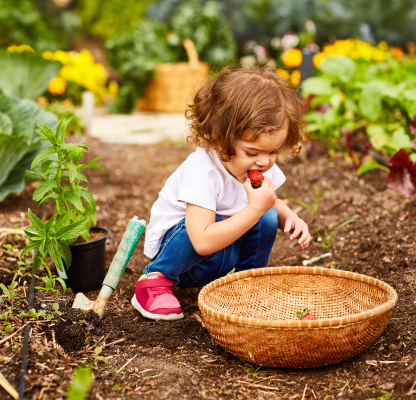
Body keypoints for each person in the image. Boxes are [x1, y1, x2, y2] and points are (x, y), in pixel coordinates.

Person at [132, 66, 311, 320]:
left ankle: (247, 285)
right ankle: (155, 280)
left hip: (222, 251)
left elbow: (267, 202)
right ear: (218, 139)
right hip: (186, 261)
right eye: (252, 152)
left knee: (268, 216)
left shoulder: (258, 164)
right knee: (231, 217)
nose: (265, 162)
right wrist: (256, 209)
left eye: (273, 152)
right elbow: (201, 241)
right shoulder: (203, 171)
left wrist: (288, 216)